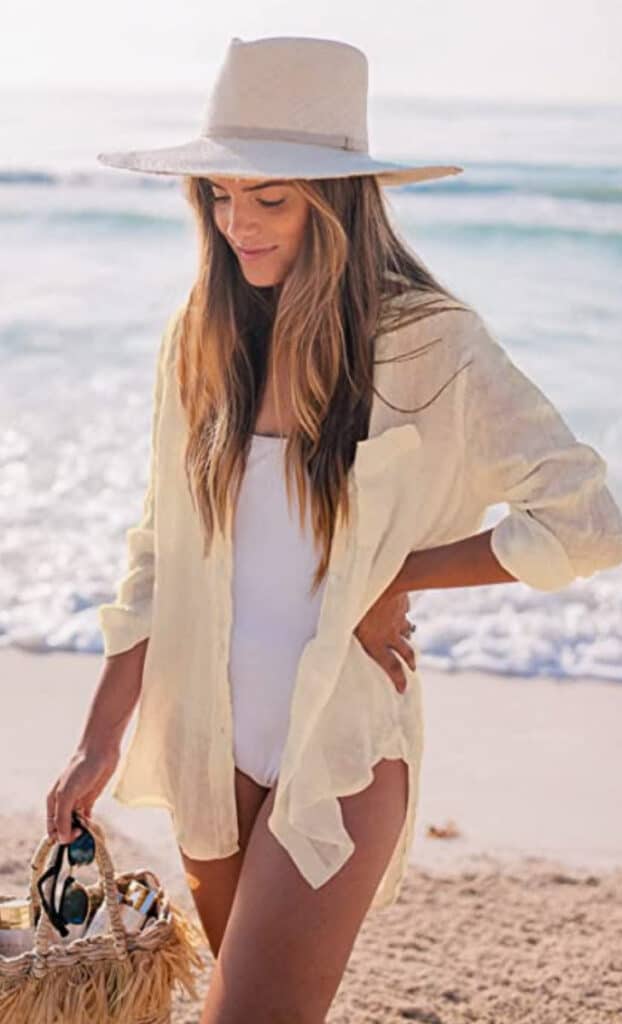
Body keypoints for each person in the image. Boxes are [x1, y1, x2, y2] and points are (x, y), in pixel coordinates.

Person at [45, 36, 622, 1023]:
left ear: (337, 200)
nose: (238, 222)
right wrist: (99, 740)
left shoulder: (429, 342)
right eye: (221, 195)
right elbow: (154, 559)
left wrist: (397, 576)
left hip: (343, 746)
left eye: (269, 198)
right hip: (204, 739)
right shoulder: (202, 336)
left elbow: (586, 519)